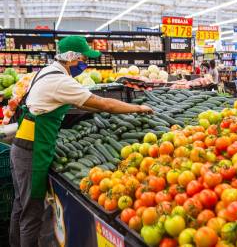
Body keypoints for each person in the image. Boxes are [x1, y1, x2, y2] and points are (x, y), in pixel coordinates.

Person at [9, 35, 153, 247]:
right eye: (83, 58)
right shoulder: (59, 80)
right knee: (32, 213)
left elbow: (86, 104)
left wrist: (96, 108)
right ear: (71, 58)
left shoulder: (49, 71)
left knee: (21, 206)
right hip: (32, 150)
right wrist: (138, 108)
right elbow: (105, 104)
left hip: (24, 145)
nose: (85, 63)